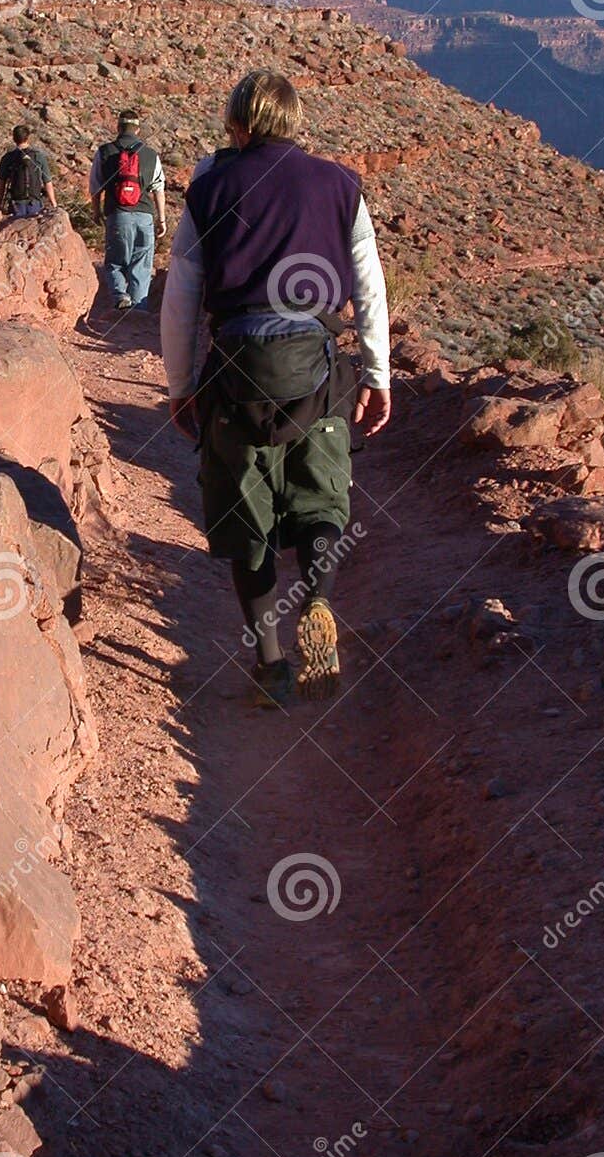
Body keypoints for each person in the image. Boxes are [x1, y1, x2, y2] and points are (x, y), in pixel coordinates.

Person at [160, 70, 391, 708]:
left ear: (238, 123)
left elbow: (180, 295)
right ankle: (316, 601)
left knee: (247, 519)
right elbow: (369, 289)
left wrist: (181, 386)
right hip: (315, 370)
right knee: (321, 500)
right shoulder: (340, 184)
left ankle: (271, 666)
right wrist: (377, 374)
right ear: (294, 122)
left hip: (237, 371)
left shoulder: (210, 188)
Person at [89, 108, 167, 311]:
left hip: (118, 214)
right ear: (138, 129)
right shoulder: (151, 154)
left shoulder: (105, 151)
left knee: (115, 261)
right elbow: (159, 189)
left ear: (118, 127)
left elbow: (95, 186)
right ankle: (139, 310)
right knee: (141, 265)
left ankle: (120, 295)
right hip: (145, 216)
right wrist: (162, 219)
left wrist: (96, 211)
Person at [0, 124, 56, 219]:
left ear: (14, 138)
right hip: (35, 203)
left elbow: (2, 184)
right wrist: (54, 204)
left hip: (16, 204)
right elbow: (47, 182)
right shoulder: (38, 156)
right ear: (28, 138)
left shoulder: (7, 158)